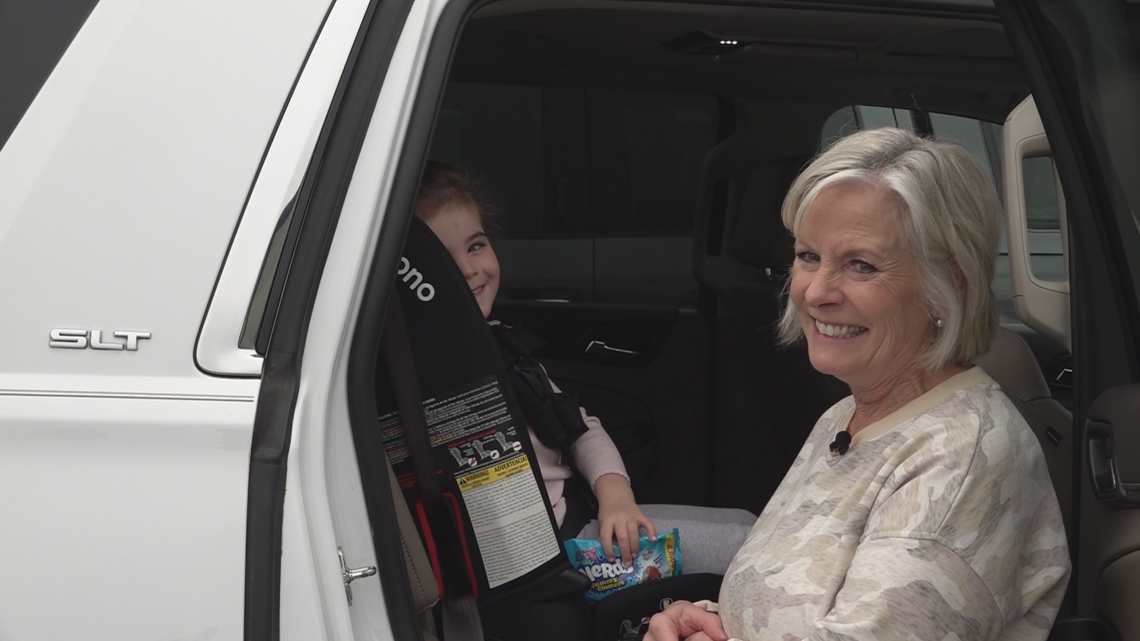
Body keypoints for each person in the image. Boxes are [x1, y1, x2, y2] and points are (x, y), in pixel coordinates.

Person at [645, 128, 1071, 641]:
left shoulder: (960, 461)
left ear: (947, 285)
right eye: (808, 256)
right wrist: (710, 620)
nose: (816, 292)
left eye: (861, 265)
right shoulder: (848, 415)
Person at [414, 161, 756, 574]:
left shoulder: (497, 345)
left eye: (476, 246)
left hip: (583, 522)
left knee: (748, 525)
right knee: (751, 550)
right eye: (443, 260)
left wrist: (615, 495)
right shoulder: (431, 376)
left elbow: (577, 426)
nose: (470, 269)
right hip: (561, 561)